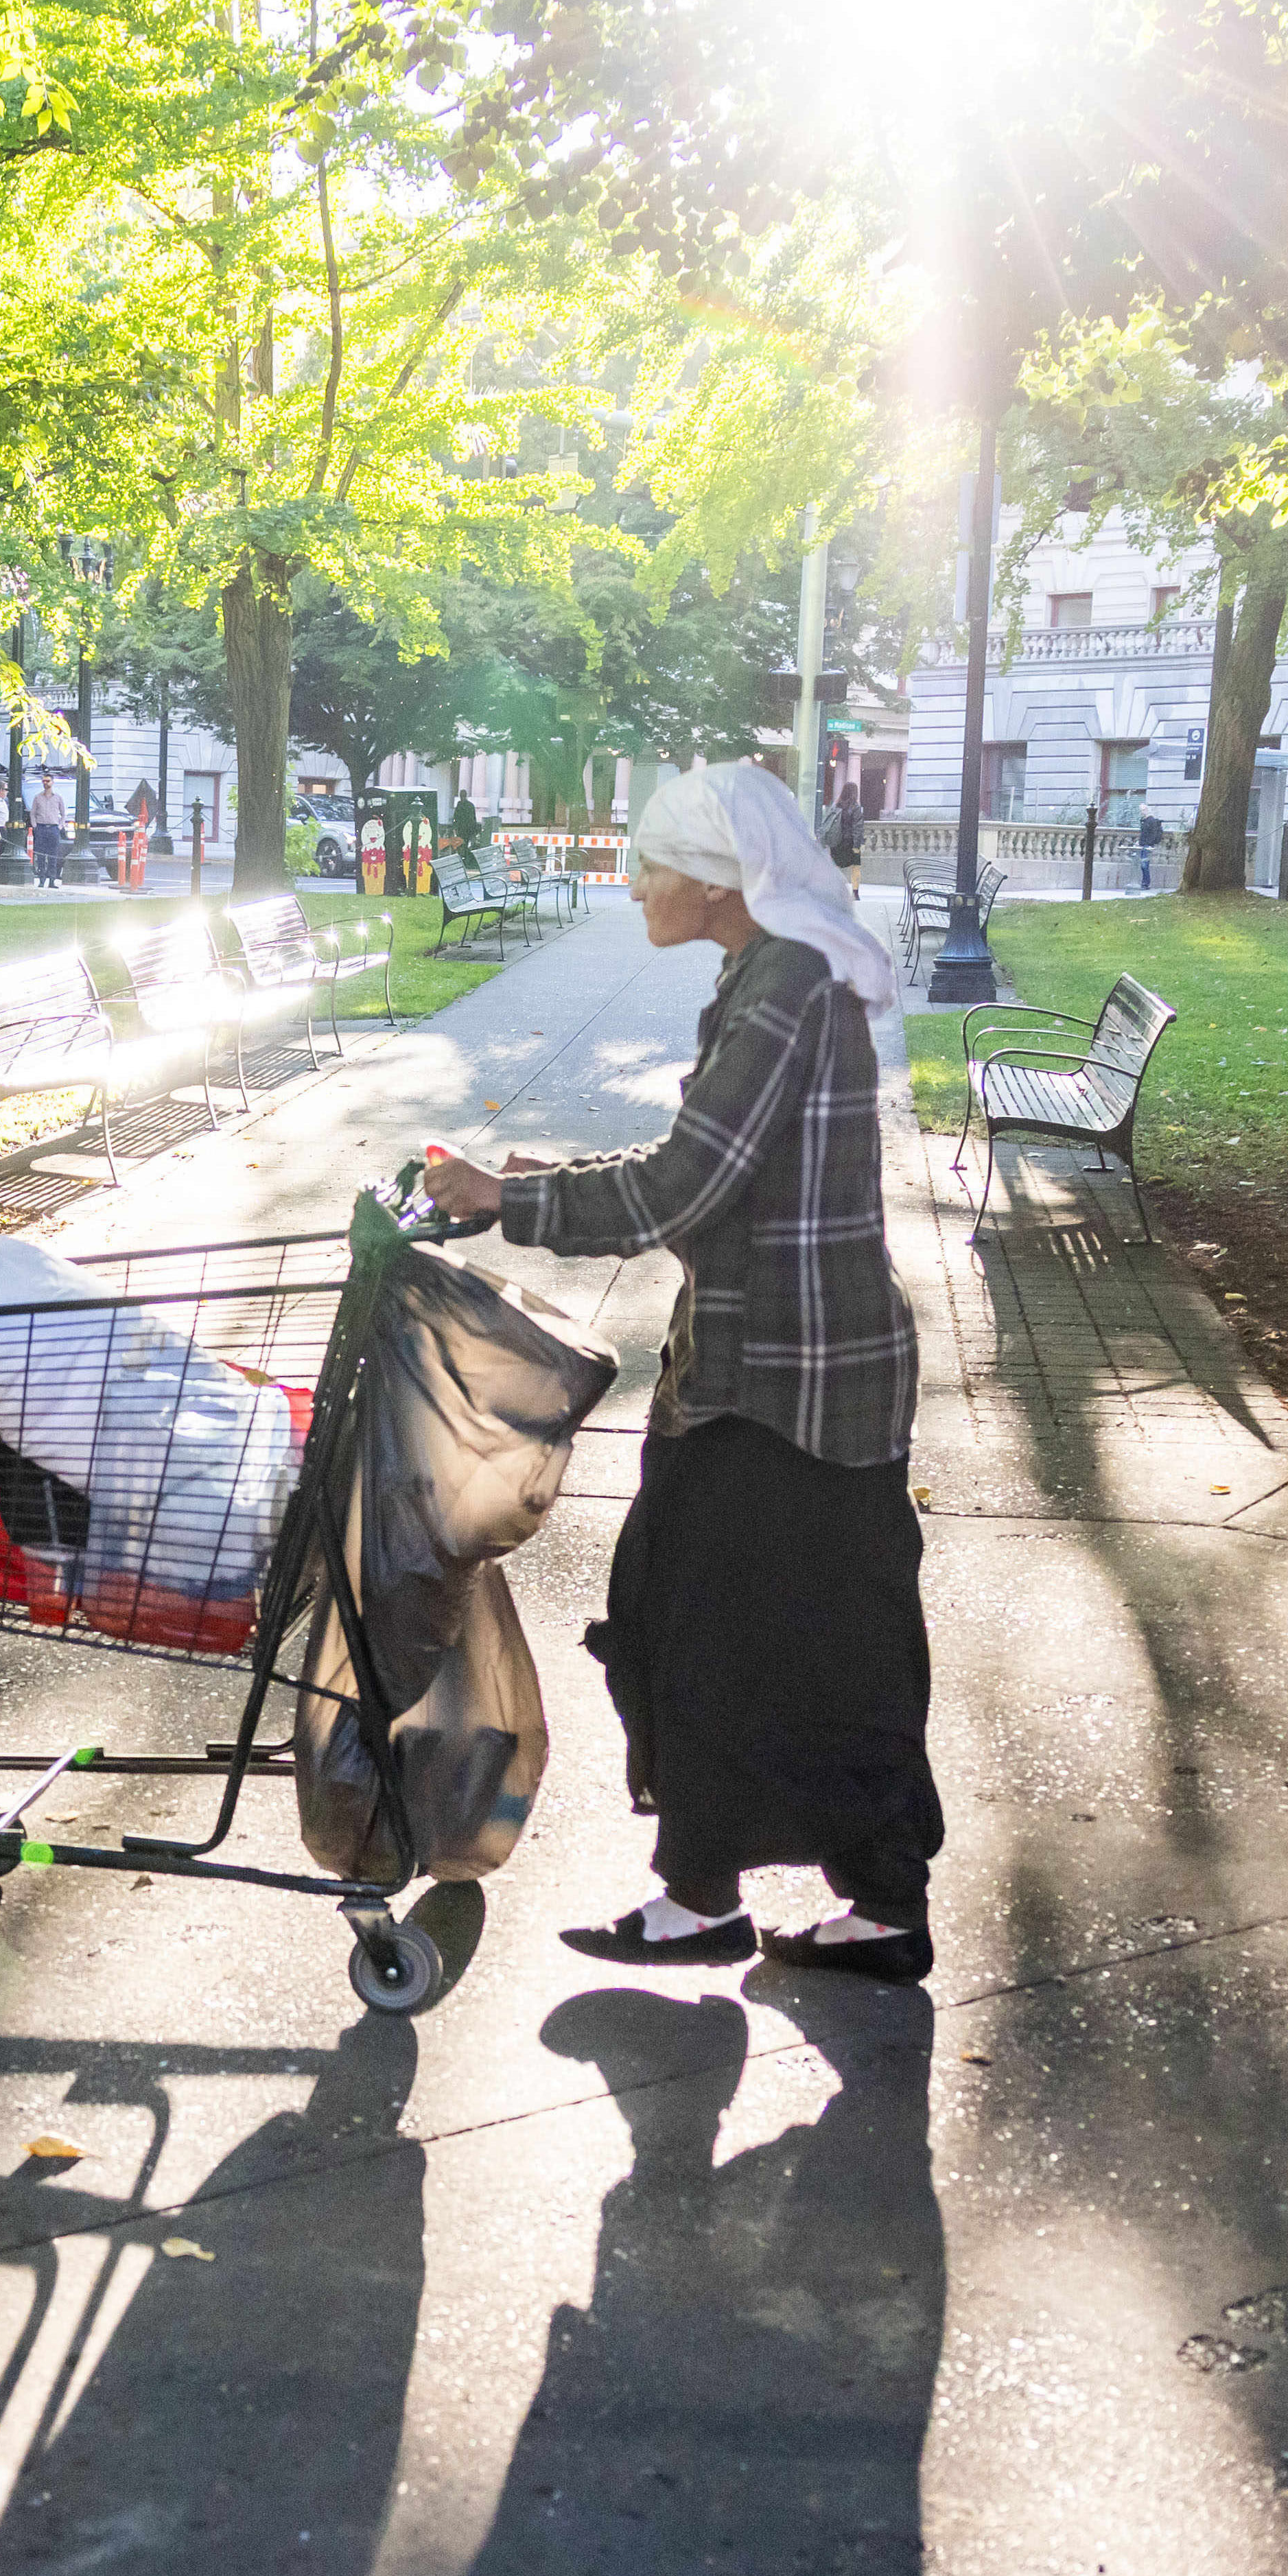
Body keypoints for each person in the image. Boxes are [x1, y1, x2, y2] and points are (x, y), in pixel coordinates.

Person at [414, 760, 941, 1980]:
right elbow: (709, 1157)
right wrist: (530, 1174)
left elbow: (684, 1187)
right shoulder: (767, 975)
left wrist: (511, 1199)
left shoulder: (787, 986)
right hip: (782, 1369)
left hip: (791, 1383)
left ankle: (799, 1899)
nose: (633, 881)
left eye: (647, 861)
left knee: (743, 1630)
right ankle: (750, 1893)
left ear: (714, 882)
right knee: (765, 1633)